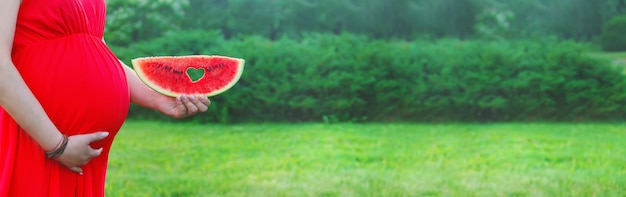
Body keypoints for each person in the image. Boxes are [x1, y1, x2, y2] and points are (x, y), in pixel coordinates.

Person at [0, 0, 211, 196]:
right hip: (37, 141)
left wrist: (161, 100)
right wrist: (57, 145)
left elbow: (98, 50)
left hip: (81, 155)